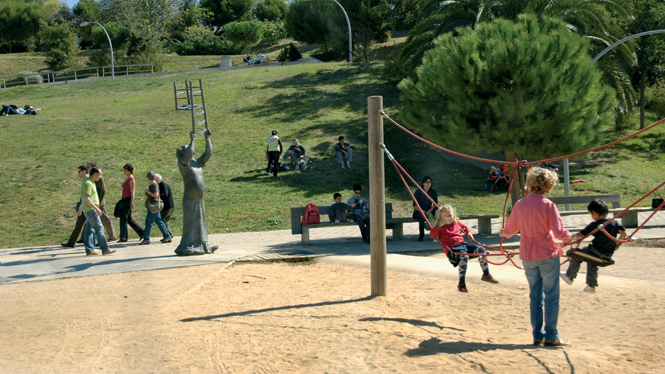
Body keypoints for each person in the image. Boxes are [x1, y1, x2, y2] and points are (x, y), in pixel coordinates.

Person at [500, 167, 572, 347]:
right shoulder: (548, 205)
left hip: (528, 256)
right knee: (551, 296)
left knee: (535, 296)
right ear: (548, 185)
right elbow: (559, 232)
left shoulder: (519, 204)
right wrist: (574, 237)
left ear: (530, 184)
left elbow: (509, 231)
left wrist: (503, 232)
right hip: (547, 253)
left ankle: (537, 335)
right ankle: (551, 335)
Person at [560, 199, 626, 293]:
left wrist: (568, 240)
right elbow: (624, 235)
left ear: (594, 213)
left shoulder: (595, 224)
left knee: (576, 254)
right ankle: (591, 285)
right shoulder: (614, 223)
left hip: (596, 251)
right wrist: (617, 244)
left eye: (591, 214)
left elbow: (580, 235)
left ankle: (570, 276)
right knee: (592, 261)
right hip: (607, 255)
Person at [430, 205, 498, 293]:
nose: (448, 218)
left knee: (481, 250)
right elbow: (432, 235)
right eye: (445, 217)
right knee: (464, 256)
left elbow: (465, 227)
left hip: (463, 245)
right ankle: (461, 283)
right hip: (452, 250)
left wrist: (469, 232)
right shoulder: (440, 227)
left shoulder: (456, 223)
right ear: (440, 218)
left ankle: (486, 275)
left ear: (453, 215)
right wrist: (439, 225)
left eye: (450, 215)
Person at [175, 129, 216, 255]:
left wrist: (207, 138)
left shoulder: (197, 163)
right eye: (186, 149)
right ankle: (187, 246)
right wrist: (192, 140)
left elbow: (208, 153)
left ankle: (202, 246)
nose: (189, 150)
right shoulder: (183, 163)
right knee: (190, 222)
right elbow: (189, 153)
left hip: (198, 198)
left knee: (200, 221)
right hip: (189, 198)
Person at [80, 167, 115, 256]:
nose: (100, 176)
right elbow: (86, 198)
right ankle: (105, 249)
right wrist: (96, 208)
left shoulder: (90, 182)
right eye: (100, 174)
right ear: (95, 174)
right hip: (91, 210)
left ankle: (90, 250)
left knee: (89, 230)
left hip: (88, 210)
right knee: (99, 229)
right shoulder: (88, 183)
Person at [139, 171, 173, 245]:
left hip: (153, 207)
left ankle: (146, 239)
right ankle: (167, 236)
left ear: (148, 178)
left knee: (148, 222)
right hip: (154, 207)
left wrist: (148, 192)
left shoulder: (154, 185)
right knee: (159, 221)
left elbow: (156, 195)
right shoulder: (154, 184)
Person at [87, 161, 117, 242]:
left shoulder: (99, 177)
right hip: (94, 201)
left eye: (89, 167)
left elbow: (103, 190)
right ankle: (86, 238)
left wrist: (99, 202)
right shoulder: (90, 177)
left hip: (99, 201)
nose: (87, 168)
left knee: (104, 218)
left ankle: (112, 235)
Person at [61, 165, 90, 248]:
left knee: (85, 224)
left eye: (79, 171)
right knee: (83, 224)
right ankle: (73, 242)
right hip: (85, 205)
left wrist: (80, 207)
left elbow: (85, 196)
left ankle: (72, 242)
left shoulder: (87, 181)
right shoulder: (86, 180)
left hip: (86, 206)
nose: (78, 173)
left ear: (84, 171)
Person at [118, 163, 144, 242]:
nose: (124, 171)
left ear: (130, 171)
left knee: (123, 218)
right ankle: (142, 233)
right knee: (129, 219)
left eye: (126, 170)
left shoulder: (131, 179)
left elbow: (132, 191)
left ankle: (123, 237)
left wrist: (132, 201)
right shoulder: (127, 178)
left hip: (128, 199)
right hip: (124, 199)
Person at [413, 176, 438, 241]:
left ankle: (437, 234)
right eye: (426, 182)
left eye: (429, 182)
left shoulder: (433, 192)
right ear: (423, 183)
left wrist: (429, 211)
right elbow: (415, 205)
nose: (428, 184)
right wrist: (423, 211)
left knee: (438, 214)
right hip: (419, 210)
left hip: (430, 209)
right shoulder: (418, 192)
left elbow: (435, 204)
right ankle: (421, 235)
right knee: (421, 216)